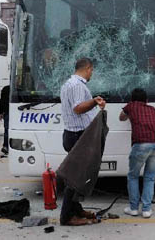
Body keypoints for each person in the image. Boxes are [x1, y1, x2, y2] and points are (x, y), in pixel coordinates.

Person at [59, 57, 106, 226]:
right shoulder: (77, 85)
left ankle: (76, 209)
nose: (92, 73)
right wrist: (94, 101)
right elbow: (78, 108)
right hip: (77, 136)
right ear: (88, 68)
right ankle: (67, 217)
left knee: (77, 176)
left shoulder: (68, 84)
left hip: (71, 134)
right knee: (74, 178)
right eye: (92, 70)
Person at [119, 88, 155, 218]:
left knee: (133, 176)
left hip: (141, 144)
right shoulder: (153, 110)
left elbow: (121, 118)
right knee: (150, 178)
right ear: (146, 100)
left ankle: (133, 208)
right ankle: (146, 210)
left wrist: (129, 114)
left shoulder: (131, 106)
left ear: (132, 99)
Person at [0, 86, 10, 155]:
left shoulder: (5, 88)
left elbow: (1, 101)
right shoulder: (6, 89)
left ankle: (6, 146)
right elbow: (2, 101)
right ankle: (6, 146)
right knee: (7, 130)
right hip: (7, 112)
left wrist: (1, 112)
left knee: (7, 130)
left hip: (14, 112)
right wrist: (1, 112)